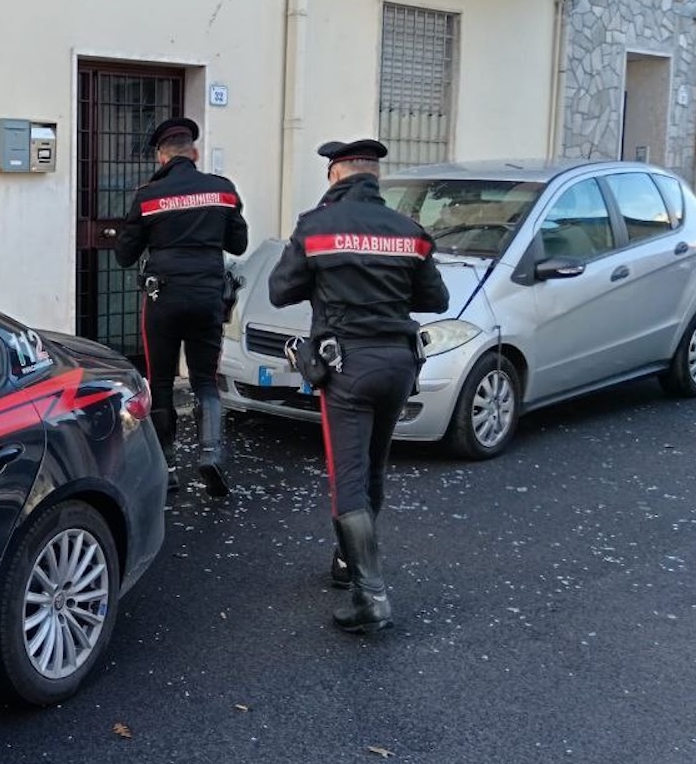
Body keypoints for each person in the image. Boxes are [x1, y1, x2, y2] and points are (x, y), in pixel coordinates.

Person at [267, 138, 449, 634]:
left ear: (335, 175)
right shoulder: (408, 229)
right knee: (373, 466)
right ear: (374, 177)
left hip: (347, 364)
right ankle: (349, 562)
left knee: (346, 475)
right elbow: (435, 297)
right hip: (398, 364)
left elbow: (280, 290)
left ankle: (370, 597)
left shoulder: (317, 225)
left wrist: (329, 279)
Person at [115, 117, 248, 496]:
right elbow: (238, 245)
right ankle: (210, 455)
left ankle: (167, 467)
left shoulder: (148, 195)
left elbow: (125, 255)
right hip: (208, 295)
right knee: (205, 380)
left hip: (164, 298)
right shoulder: (222, 191)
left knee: (160, 381)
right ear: (194, 152)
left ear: (161, 156)